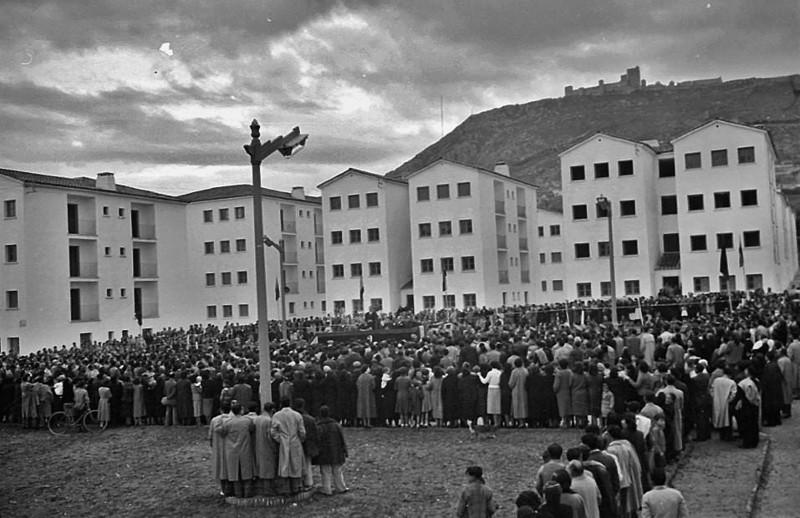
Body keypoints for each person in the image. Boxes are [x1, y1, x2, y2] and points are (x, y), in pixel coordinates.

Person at [271, 396, 307, 495]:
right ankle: (296, 487)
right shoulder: (297, 415)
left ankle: (285, 489)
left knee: (284, 464)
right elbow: (302, 431)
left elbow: (273, 431)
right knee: (296, 464)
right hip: (295, 441)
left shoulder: (277, 415)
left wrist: (280, 439)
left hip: (284, 441)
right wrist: (300, 439)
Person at [222, 401, 256, 498]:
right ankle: (247, 493)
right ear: (241, 410)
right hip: (245, 449)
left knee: (235, 473)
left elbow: (222, 432)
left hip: (232, 450)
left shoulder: (227, 422)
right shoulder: (247, 421)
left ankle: (238, 493)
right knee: (247, 473)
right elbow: (252, 430)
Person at [315, 405, 349, 495]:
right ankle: (341, 487)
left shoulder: (319, 426)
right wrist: (345, 450)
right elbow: (342, 439)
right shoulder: (336, 425)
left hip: (324, 451)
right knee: (337, 470)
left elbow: (317, 440)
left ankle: (327, 490)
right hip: (336, 450)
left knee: (325, 472)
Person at [253, 401, 278, 496]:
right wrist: (274, 447)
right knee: (268, 470)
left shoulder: (258, 419)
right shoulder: (269, 420)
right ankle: (268, 490)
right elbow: (270, 435)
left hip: (258, 446)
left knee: (261, 468)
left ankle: (261, 488)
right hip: (267, 447)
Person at [293, 398, 319, 491]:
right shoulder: (310, 419)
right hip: (308, 444)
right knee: (307, 465)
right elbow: (315, 433)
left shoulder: (293, 418)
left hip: (296, 444)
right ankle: (309, 482)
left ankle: (299, 482)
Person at [209, 401, 232, 496]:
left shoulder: (215, 420)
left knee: (221, 468)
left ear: (220, 409)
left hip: (218, 447)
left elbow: (210, 436)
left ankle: (223, 489)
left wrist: (213, 445)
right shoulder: (233, 419)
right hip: (231, 446)